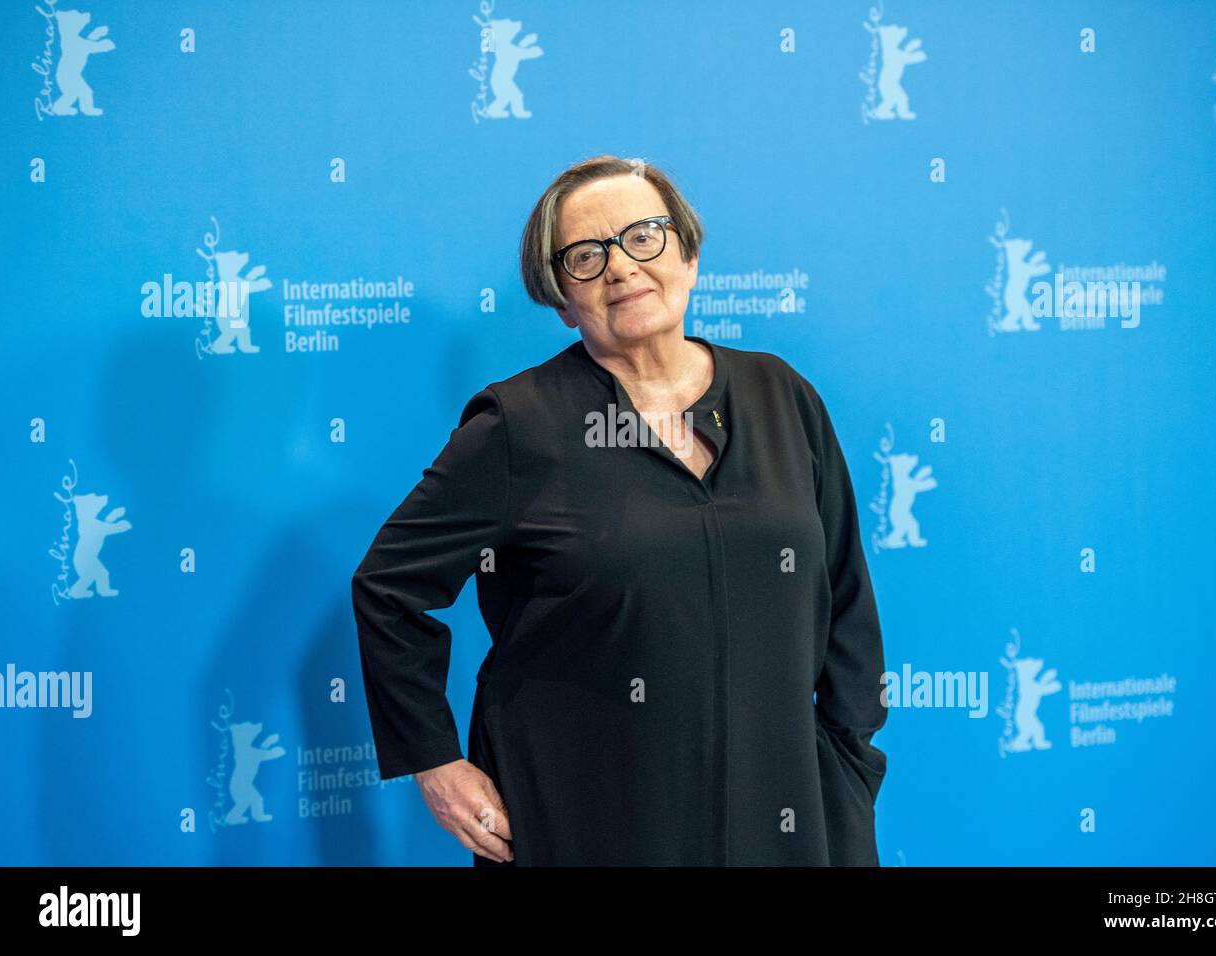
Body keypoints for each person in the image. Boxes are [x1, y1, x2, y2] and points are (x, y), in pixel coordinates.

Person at [351, 154, 888, 866]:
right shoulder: (519, 424)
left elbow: (847, 595)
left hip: (783, 813)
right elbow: (389, 589)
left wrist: (848, 763)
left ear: (689, 256)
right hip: (586, 817)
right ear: (561, 300)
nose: (621, 267)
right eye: (585, 256)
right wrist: (435, 761)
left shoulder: (781, 395)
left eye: (644, 236)